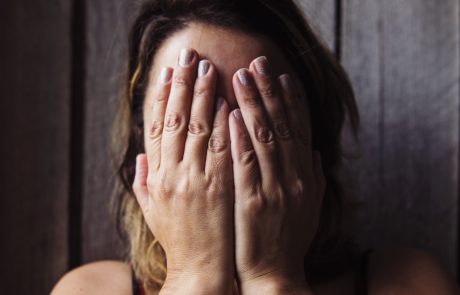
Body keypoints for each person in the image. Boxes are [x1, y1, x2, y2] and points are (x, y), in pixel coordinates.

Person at [52, 0, 459, 294]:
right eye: (192, 115)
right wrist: (194, 273)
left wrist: (274, 277)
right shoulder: (90, 290)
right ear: (144, 148)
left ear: (310, 133)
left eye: (258, 115)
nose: (225, 147)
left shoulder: (407, 282)